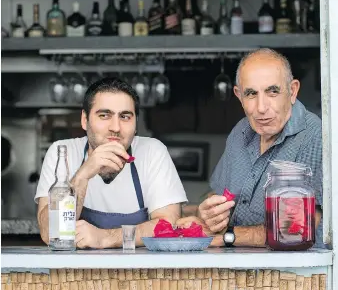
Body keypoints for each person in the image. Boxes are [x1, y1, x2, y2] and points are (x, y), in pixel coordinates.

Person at [179, 48, 323, 248]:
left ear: (293, 91)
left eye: (272, 92)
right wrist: (209, 214)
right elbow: (219, 195)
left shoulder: (314, 135)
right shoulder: (241, 131)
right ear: (239, 95)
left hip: (295, 275)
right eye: (251, 94)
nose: (261, 107)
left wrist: (229, 236)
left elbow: (298, 230)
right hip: (238, 270)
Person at [36, 77, 187, 249]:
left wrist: (106, 238)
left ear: (136, 124)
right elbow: (49, 234)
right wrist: (83, 175)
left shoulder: (152, 151)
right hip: (71, 274)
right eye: (104, 115)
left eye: (125, 116)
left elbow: (168, 225)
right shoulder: (62, 153)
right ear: (85, 120)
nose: (115, 127)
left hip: (141, 272)